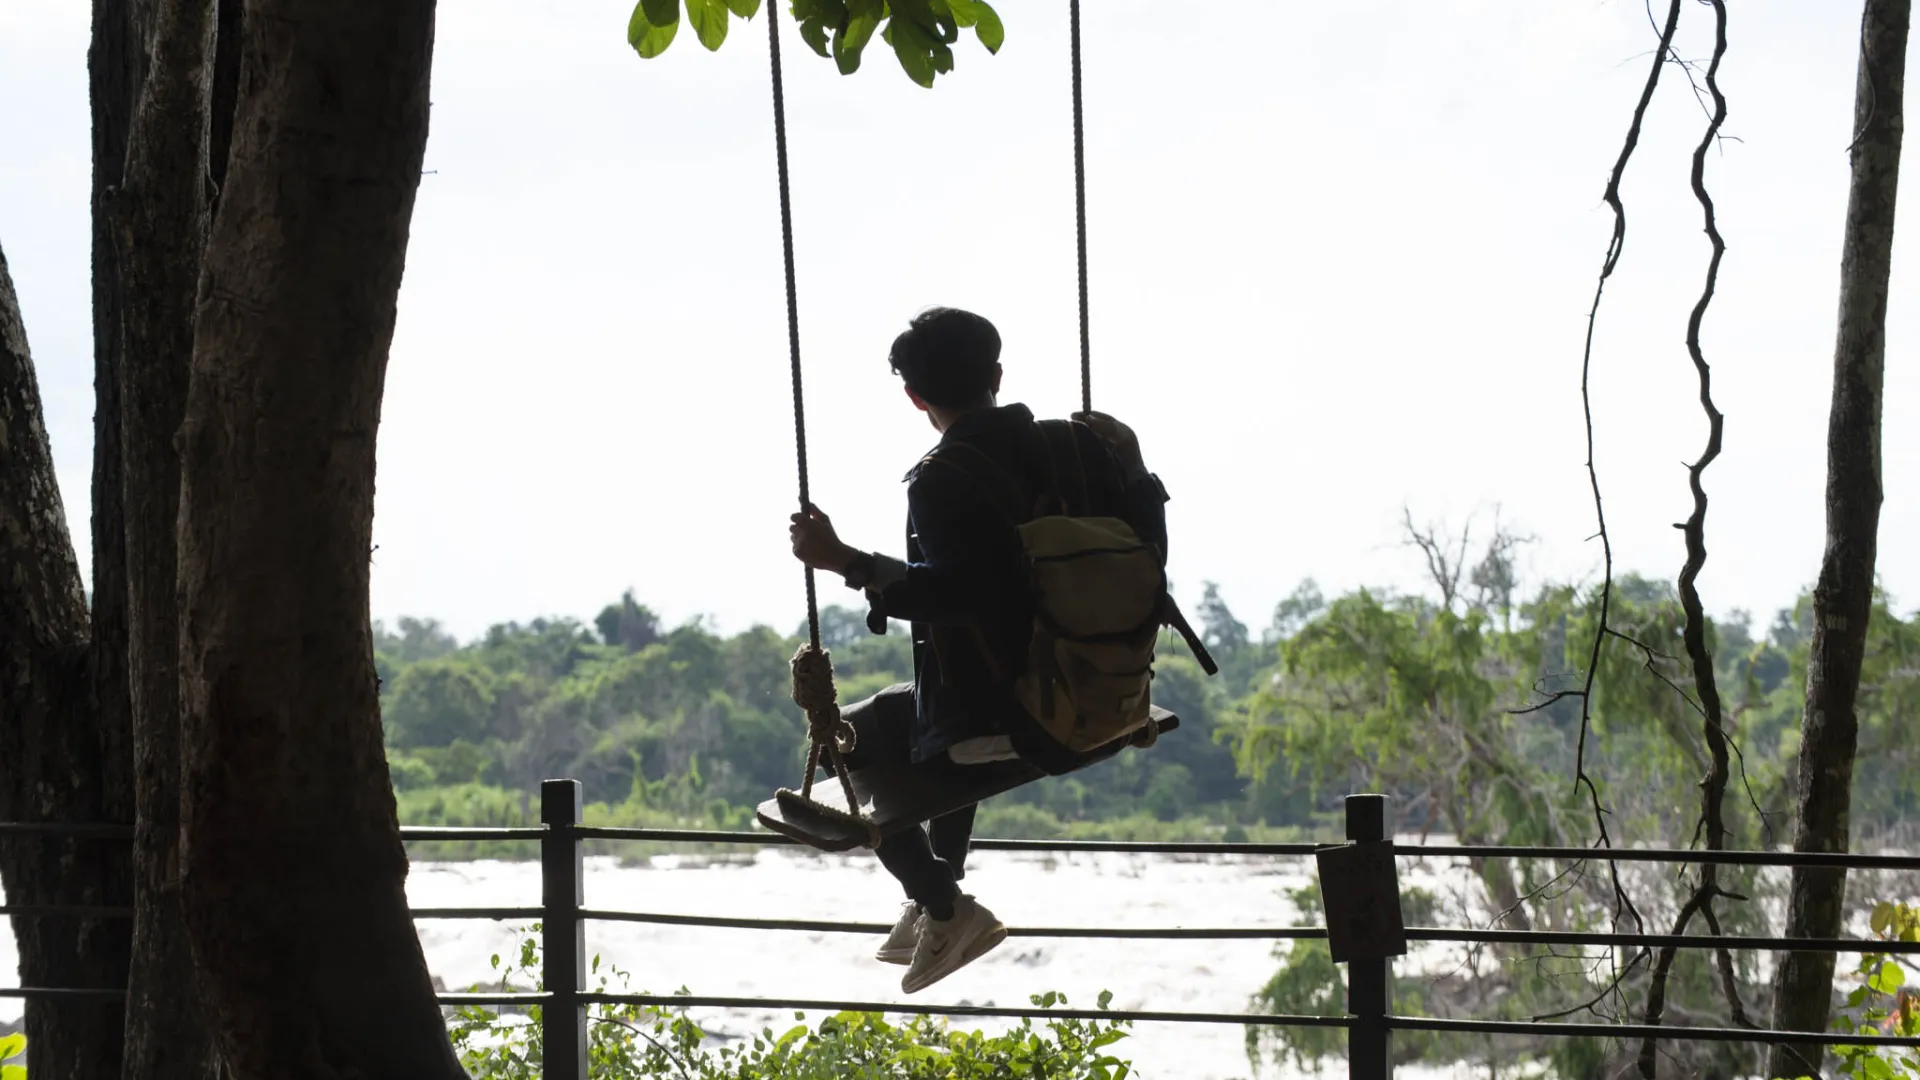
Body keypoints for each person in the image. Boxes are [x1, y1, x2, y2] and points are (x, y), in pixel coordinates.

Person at [786, 306, 1170, 994]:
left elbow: (961, 597)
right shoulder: (1083, 446)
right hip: (1116, 694)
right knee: (933, 709)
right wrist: (1133, 461)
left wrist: (845, 560)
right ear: (997, 374)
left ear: (915, 397)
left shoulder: (941, 478)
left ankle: (943, 905)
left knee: (861, 738)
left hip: (1029, 719)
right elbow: (1151, 553)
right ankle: (937, 895)